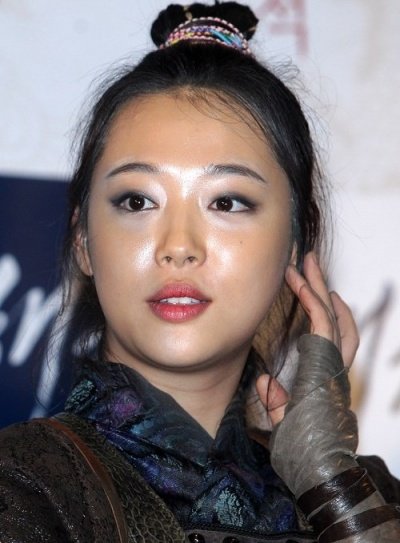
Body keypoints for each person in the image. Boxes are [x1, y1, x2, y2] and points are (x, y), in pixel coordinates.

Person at [0, 2, 399, 542]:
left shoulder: (371, 496)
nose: (179, 247)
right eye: (138, 201)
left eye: (227, 202)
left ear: (294, 244)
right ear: (83, 241)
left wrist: (335, 490)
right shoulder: (22, 488)